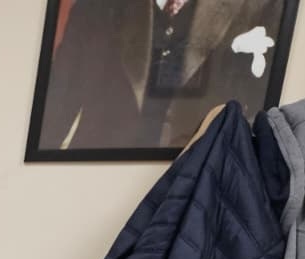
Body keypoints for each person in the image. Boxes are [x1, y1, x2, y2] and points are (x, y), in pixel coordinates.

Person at [36, 0, 287, 153]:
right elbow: (57, 108)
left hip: (197, 185)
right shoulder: (97, 5)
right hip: (93, 175)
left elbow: (258, 110)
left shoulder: (259, 6)